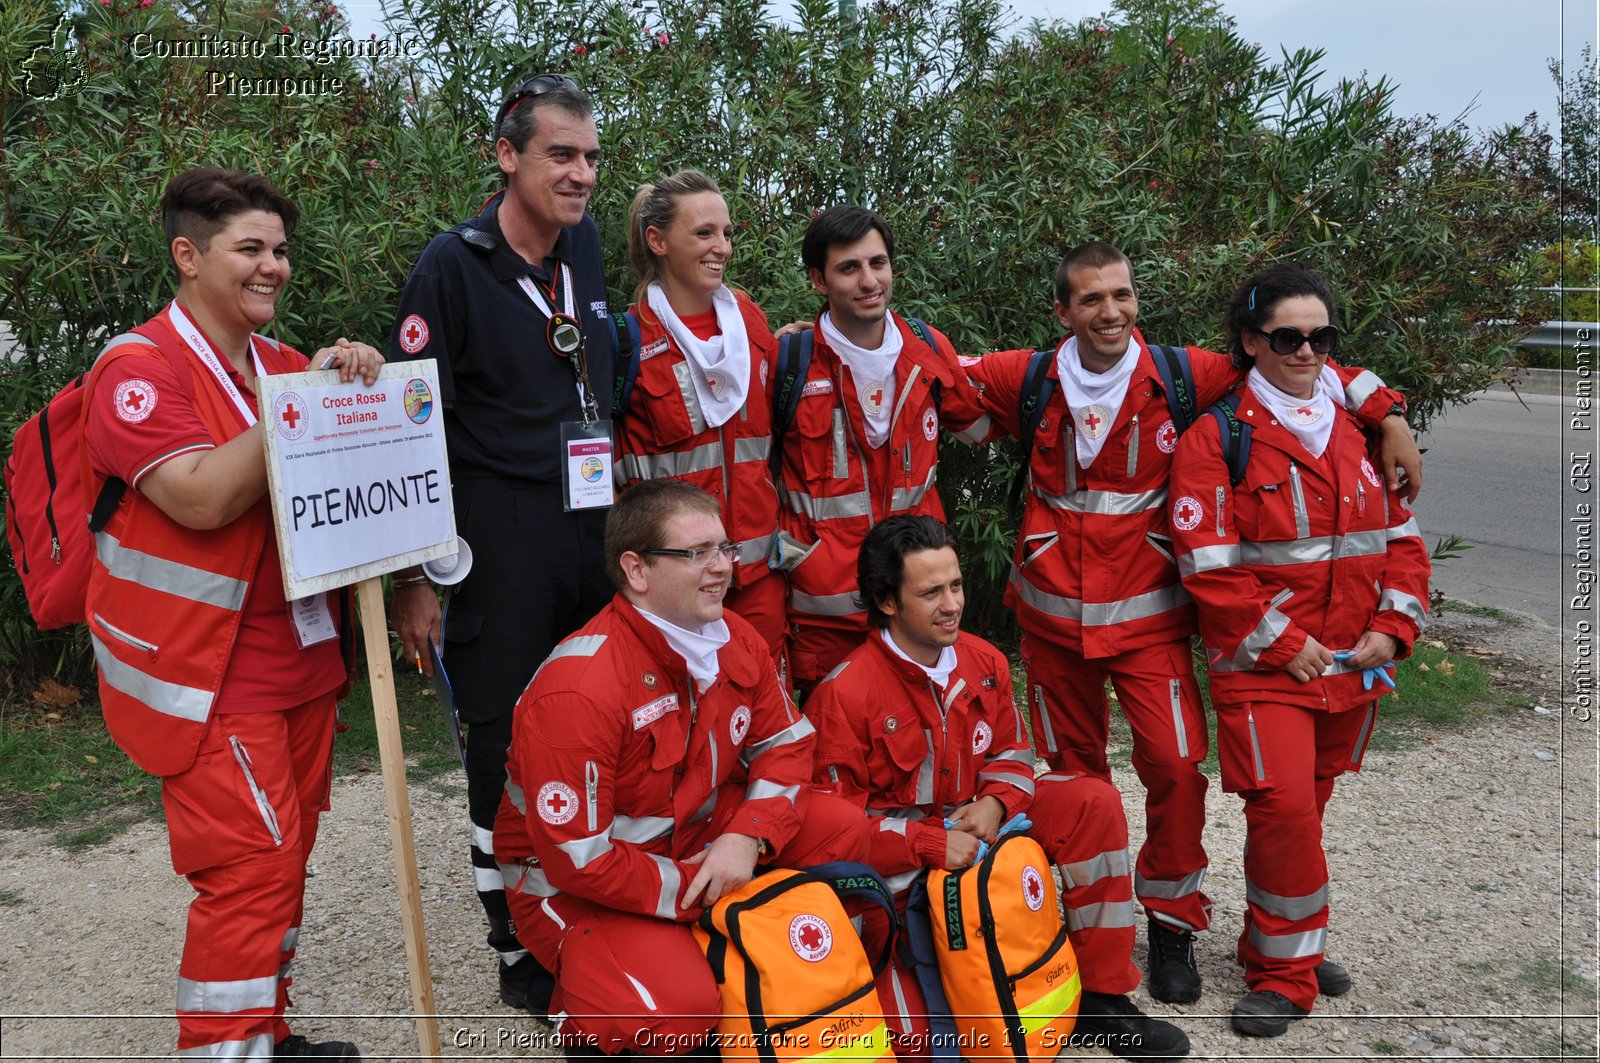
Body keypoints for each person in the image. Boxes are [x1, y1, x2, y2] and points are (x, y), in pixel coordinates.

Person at [960, 241, 1422, 1004]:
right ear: (1063, 311)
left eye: (1122, 294)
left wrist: (1389, 413)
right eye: (1091, 299)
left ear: (1137, 297)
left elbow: (1297, 367)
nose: (1110, 310)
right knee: (1077, 782)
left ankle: (1172, 924)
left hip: (1150, 625)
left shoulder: (1185, 375)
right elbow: (932, 375)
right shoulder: (1031, 377)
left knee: (1176, 771)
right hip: (1051, 626)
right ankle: (1084, 928)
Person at [80, 165, 384, 1060]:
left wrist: (349, 379)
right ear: (188, 255)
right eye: (250, 248)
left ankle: (266, 1031)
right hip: (207, 675)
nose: (273, 267)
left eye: (281, 251)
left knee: (285, 865)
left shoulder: (282, 363)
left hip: (303, 662)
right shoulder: (135, 370)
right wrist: (301, 404)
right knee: (247, 876)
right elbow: (202, 498)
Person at [491, 479, 873, 1055]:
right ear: (636, 570)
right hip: (574, 887)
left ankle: (768, 973)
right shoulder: (579, 689)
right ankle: (587, 1003)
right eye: (698, 553)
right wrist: (700, 889)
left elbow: (787, 746)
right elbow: (576, 860)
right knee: (675, 1016)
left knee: (844, 829)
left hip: (696, 842)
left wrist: (747, 838)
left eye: (725, 548)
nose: (723, 568)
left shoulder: (732, 638)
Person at [385, 74, 616, 1013]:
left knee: (595, 719)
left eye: (592, 157)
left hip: (590, 523)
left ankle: (589, 904)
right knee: (503, 736)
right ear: (506, 155)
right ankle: (513, 940)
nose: (581, 174)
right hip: (497, 530)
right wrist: (413, 573)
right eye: (561, 154)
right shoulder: (452, 265)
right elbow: (408, 423)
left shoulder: (586, 246)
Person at [809, 515, 1191, 1063]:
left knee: (1091, 801)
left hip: (986, 824)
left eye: (957, 585)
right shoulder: (843, 694)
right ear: (886, 601)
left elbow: (1013, 753)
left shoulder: (983, 659)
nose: (952, 604)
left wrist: (995, 801)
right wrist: (927, 843)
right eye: (931, 592)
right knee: (921, 1042)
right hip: (902, 862)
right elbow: (833, 830)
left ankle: (1103, 995)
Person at [1168, 263, 1429, 1036]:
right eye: (1288, 336)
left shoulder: (1362, 428)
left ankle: (1285, 938)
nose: (1307, 351)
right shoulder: (1216, 440)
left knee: (1308, 811)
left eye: (1322, 337)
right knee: (1281, 808)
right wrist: (1283, 643)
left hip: (1354, 664)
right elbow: (1207, 568)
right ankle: (1283, 974)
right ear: (1252, 342)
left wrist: (1396, 625)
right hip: (1265, 667)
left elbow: (1404, 540)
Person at [777, 205, 992, 697]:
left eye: (878, 263)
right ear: (819, 279)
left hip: (914, 605)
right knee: (828, 754)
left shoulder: (928, 349)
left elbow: (982, 418)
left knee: (920, 748)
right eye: (849, 268)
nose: (869, 280)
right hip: (822, 612)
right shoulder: (787, 364)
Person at [616, 169, 786, 657]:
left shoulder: (749, 320)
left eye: (727, 233)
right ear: (658, 240)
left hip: (755, 576)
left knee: (760, 716)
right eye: (704, 233)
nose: (723, 247)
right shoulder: (629, 339)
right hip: (673, 584)